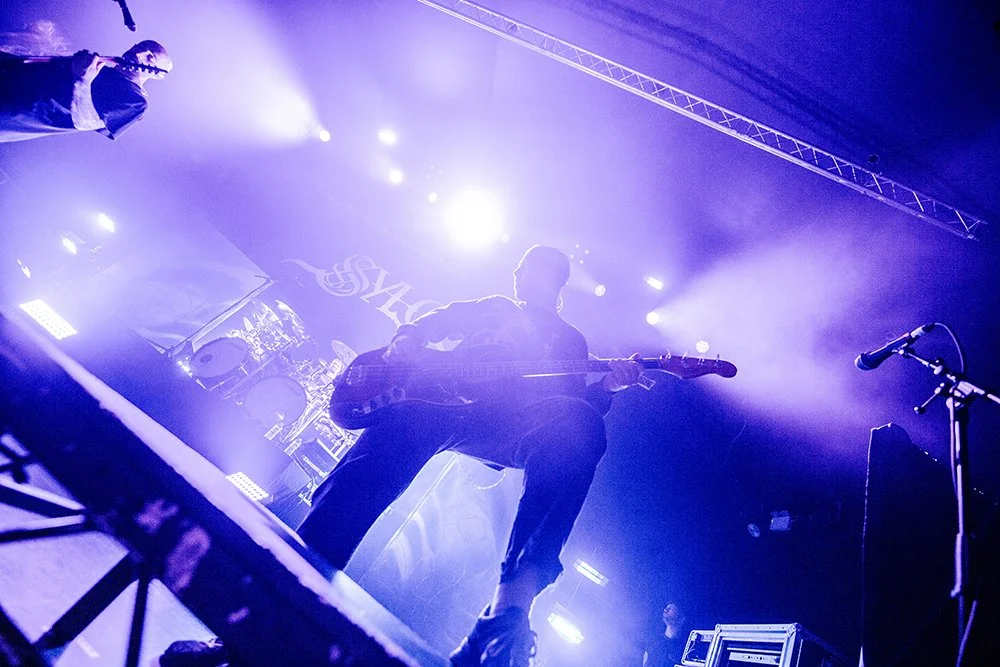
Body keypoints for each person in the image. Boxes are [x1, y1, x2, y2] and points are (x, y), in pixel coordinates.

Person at [298, 244, 644, 666]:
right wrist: (408, 339)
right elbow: (440, 321)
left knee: (581, 423)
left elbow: (568, 409)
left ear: (548, 275)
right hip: (436, 402)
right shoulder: (496, 307)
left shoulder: (569, 340)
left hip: (504, 423)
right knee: (394, 435)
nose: (515, 274)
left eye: (523, 268)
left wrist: (607, 387)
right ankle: (299, 566)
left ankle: (504, 617)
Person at [0, 39, 171, 142]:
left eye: (150, 57)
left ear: (158, 75)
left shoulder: (136, 100)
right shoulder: (102, 67)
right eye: (140, 46)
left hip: (13, 111)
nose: (139, 53)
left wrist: (83, 80)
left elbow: (85, 123)